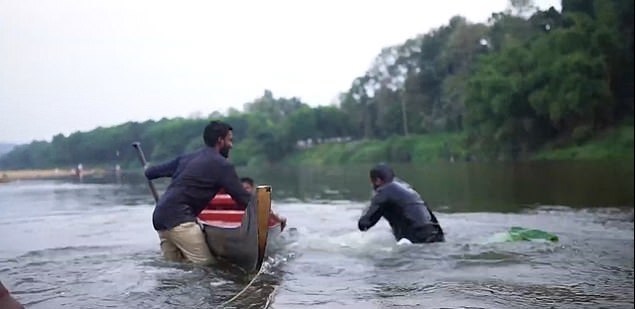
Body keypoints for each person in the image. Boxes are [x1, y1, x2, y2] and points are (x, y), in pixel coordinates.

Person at [144, 120, 252, 265]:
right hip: (180, 220)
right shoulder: (222, 165)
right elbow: (244, 199)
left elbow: (150, 173)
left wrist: (147, 167)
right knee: (205, 268)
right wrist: (272, 215)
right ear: (220, 141)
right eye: (230, 140)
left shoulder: (187, 158)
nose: (231, 145)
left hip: (160, 218)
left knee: (175, 270)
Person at [358, 163, 444, 243]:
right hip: (437, 236)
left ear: (377, 181)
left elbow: (364, 224)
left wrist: (368, 206)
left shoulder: (383, 192)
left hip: (417, 240)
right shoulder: (408, 189)